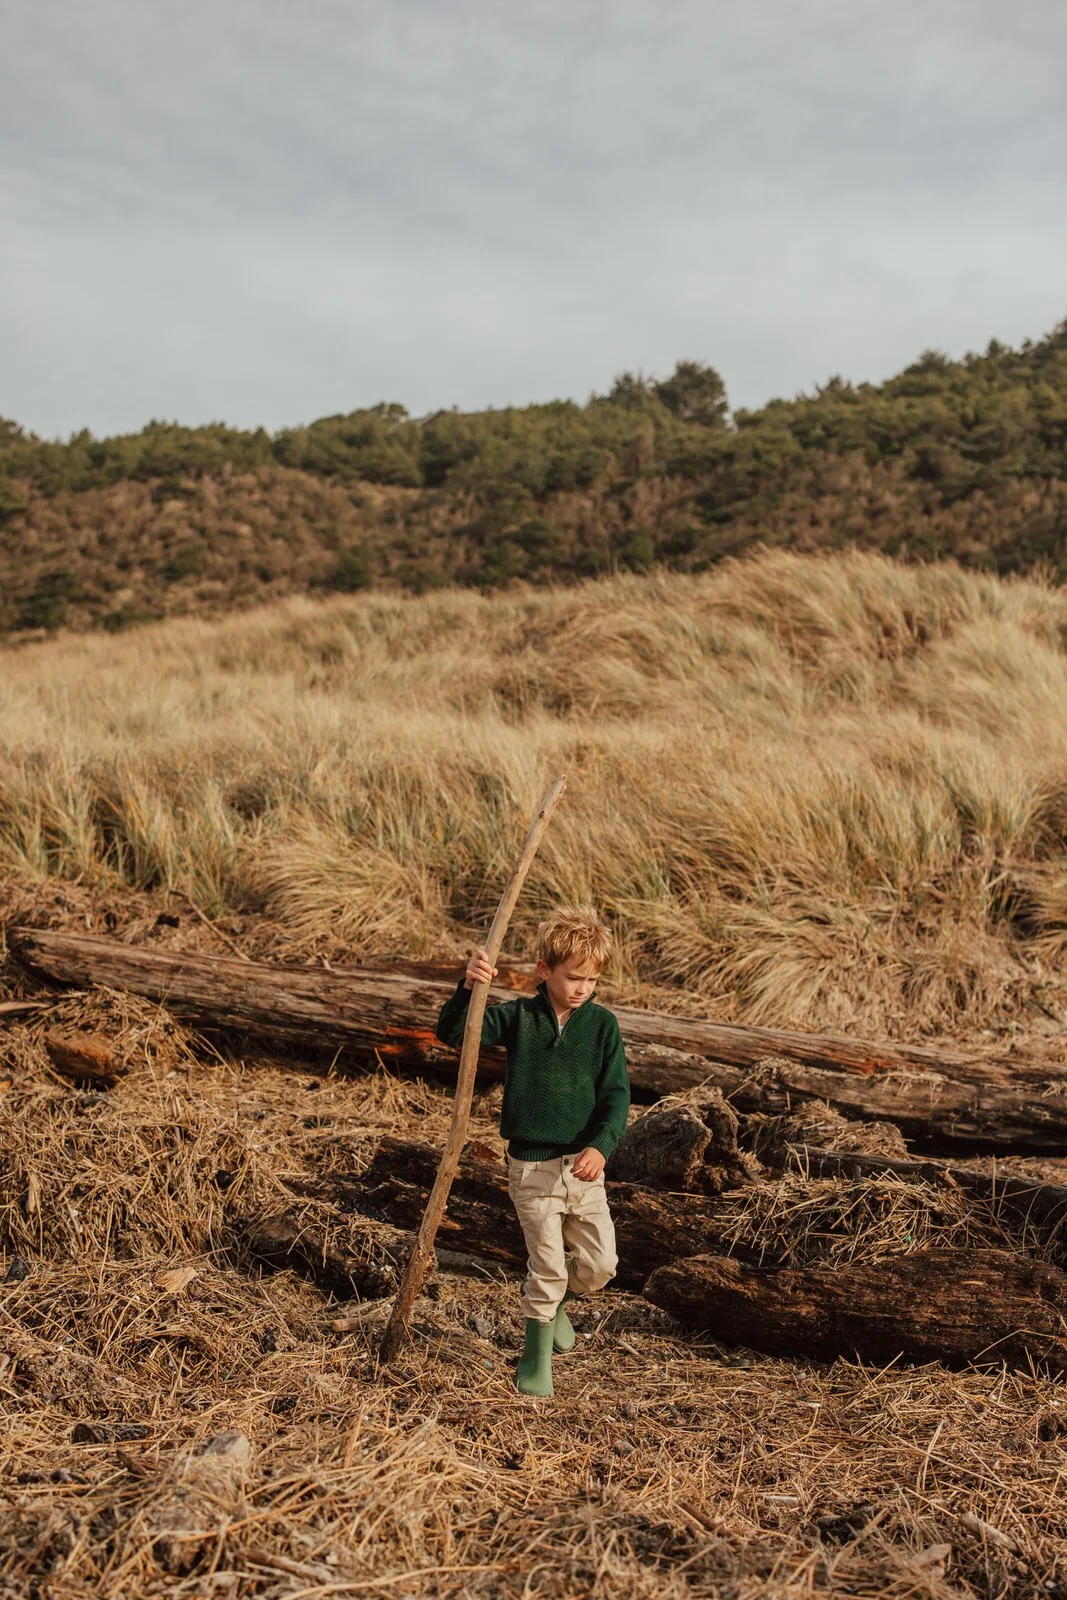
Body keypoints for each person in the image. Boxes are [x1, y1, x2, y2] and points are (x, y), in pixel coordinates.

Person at [435, 905, 630, 1398]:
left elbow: (616, 1096)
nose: (583, 988)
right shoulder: (519, 1017)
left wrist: (602, 1146)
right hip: (533, 1167)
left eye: (592, 979)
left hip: (584, 1168)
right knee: (546, 1266)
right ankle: (536, 1356)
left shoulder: (603, 1026)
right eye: (574, 978)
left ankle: (558, 1304)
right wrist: (468, 988)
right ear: (545, 971)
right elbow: (455, 1034)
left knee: (601, 1265)